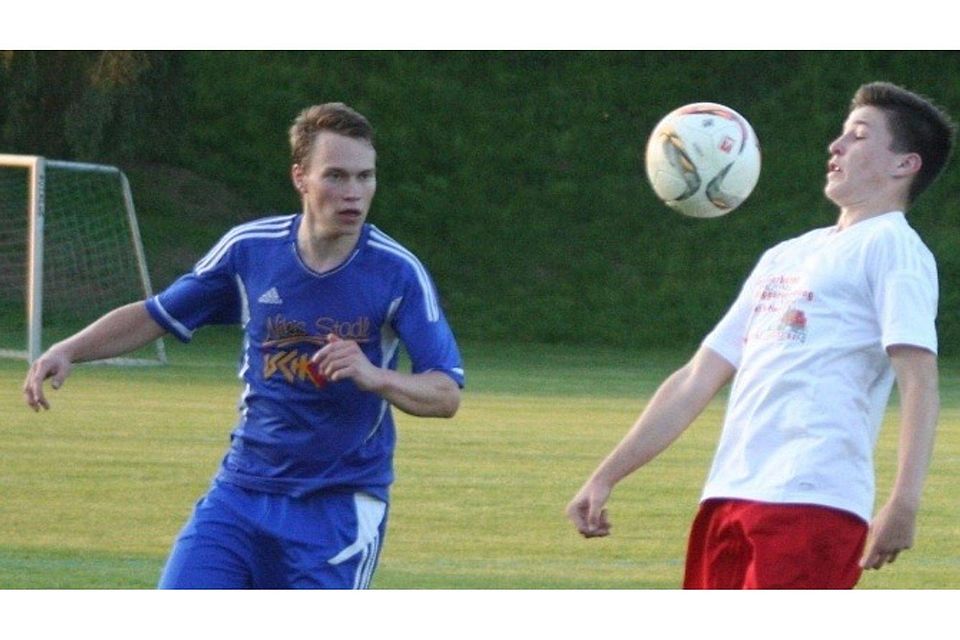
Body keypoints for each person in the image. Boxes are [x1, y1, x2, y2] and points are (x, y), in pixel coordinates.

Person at [23, 102, 465, 589]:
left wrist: (374, 375)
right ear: (301, 177)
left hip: (337, 504)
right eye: (336, 176)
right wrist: (68, 348)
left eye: (365, 177)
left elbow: (445, 394)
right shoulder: (249, 250)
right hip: (240, 494)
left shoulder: (397, 272)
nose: (353, 194)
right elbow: (158, 314)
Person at [566, 81, 955, 589]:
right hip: (728, 496)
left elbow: (919, 381)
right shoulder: (786, 255)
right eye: (841, 134)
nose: (835, 147)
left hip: (813, 501)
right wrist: (606, 474)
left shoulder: (893, 248)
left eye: (858, 137)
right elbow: (696, 378)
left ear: (905, 164)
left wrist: (904, 501)